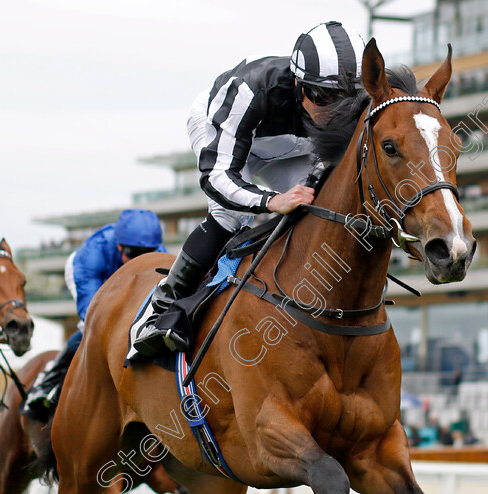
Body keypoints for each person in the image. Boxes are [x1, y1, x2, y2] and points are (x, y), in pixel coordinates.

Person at [131, 21, 366, 356]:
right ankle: (162, 308)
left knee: (319, 205)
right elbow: (217, 177)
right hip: (230, 132)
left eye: (345, 101)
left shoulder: (351, 101)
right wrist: (271, 200)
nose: (332, 112)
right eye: (322, 97)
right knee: (230, 214)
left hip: (293, 146)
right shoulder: (249, 90)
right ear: (299, 83)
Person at [22, 209, 166, 420]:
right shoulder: (92, 256)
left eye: (146, 253)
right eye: (133, 254)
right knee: (93, 327)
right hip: (94, 277)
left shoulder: (158, 253)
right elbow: (91, 313)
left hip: (121, 278)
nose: (140, 260)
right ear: (119, 246)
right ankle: (49, 379)